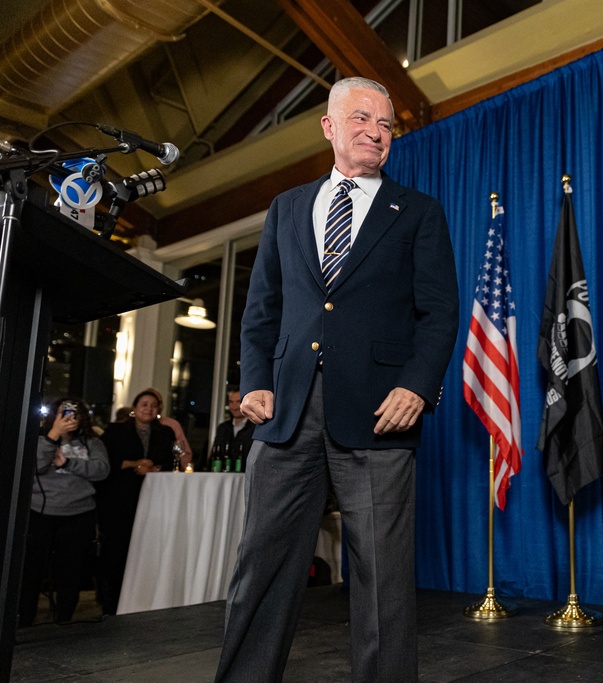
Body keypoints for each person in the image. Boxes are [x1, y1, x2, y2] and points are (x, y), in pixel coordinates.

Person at [215, 77, 459, 683]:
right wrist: (253, 383)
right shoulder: (287, 207)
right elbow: (261, 311)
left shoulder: (419, 212)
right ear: (329, 126)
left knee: (382, 580)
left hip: (379, 413)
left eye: (386, 125)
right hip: (285, 413)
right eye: (362, 119)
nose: (376, 132)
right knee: (261, 567)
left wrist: (416, 386)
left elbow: (440, 312)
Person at [18, 397, 110, 626]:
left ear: (82, 417)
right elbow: (35, 467)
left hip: (78, 515)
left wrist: (68, 463)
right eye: (63, 412)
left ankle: (64, 624)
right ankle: (24, 624)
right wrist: (53, 435)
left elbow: (102, 471)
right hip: (40, 513)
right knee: (31, 573)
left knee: (69, 574)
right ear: (54, 416)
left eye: (73, 413)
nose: (69, 417)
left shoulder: (93, 442)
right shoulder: (40, 439)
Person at [95, 389, 176, 615]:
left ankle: (141, 602)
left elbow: (171, 462)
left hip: (153, 502)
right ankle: (110, 605)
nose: (149, 409)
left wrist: (154, 467)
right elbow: (105, 463)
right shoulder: (115, 430)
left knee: (146, 552)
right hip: (118, 502)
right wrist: (135, 464)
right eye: (144, 404)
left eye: (153, 405)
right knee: (116, 554)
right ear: (134, 408)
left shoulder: (166, 432)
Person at [208, 388, 255, 471]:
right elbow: (214, 455)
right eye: (231, 402)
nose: (234, 407)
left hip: (245, 477)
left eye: (238, 402)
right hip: (224, 479)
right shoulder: (223, 428)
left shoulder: (254, 428)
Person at [145, 387, 193, 468]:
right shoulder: (132, 427)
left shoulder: (171, 425)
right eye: (145, 404)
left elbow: (184, 453)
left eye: (157, 403)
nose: (150, 408)